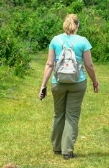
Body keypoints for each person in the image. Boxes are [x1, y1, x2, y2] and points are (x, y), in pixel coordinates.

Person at [39, 14, 99, 160]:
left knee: (58, 114)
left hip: (58, 82)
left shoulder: (55, 40)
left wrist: (43, 85)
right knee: (72, 116)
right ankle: (67, 151)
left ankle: (57, 147)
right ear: (77, 25)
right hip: (77, 83)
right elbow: (89, 65)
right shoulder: (83, 41)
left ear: (64, 25)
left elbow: (49, 64)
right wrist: (94, 81)